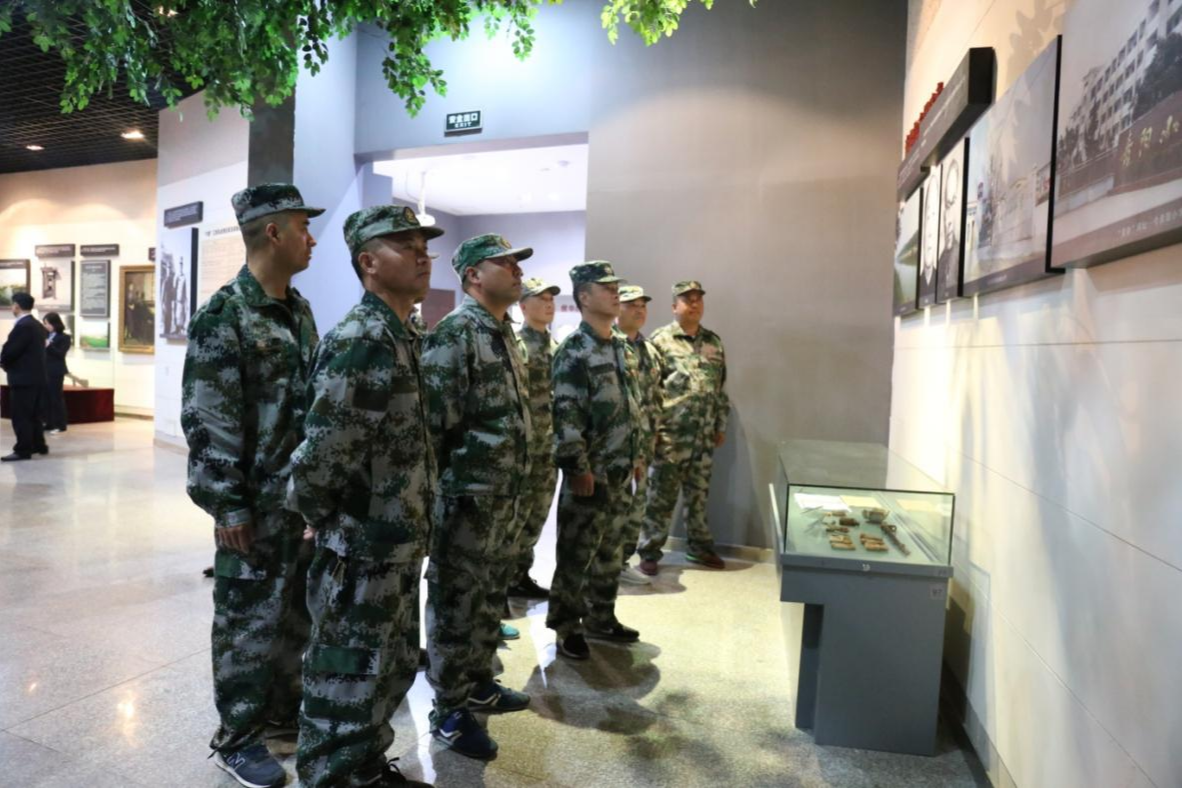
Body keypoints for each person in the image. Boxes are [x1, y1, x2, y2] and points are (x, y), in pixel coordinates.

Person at [288, 206, 440, 788]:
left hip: (396, 538)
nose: (422, 254)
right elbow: (323, 452)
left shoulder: (403, 334)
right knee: (346, 672)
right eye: (405, 245)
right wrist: (318, 515)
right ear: (369, 262)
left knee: (388, 667)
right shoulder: (363, 339)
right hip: (360, 544)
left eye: (424, 244)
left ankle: (364, 765)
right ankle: (331, 774)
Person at [181, 183, 323, 788]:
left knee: (293, 617)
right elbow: (207, 418)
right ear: (273, 232)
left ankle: (282, 712)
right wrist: (228, 504)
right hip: (254, 506)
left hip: (296, 503)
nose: (311, 239)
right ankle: (237, 737)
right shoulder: (225, 315)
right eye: (302, 227)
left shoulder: (299, 309)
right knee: (246, 624)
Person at [422, 234, 533, 761]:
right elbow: (433, 426)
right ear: (472, 275)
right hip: (466, 498)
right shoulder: (456, 332)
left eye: (517, 263)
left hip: (503, 496)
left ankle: (478, 683)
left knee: (489, 598)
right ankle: (448, 709)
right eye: (505, 263)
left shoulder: (504, 331)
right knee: (455, 604)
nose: (517, 270)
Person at [546, 261, 643, 660]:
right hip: (591, 472)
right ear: (584, 297)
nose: (615, 293)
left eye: (616, 286)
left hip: (621, 468)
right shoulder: (574, 349)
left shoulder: (620, 344)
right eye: (606, 288)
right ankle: (567, 626)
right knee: (577, 553)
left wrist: (637, 454)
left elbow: (632, 403)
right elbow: (565, 412)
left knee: (611, 552)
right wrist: (577, 466)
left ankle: (602, 616)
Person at [637, 280, 730, 575]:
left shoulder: (713, 342)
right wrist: (651, 432)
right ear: (674, 306)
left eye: (698, 299)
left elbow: (720, 388)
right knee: (661, 497)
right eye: (687, 299)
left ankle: (699, 548)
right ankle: (649, 551)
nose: (694, 304)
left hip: (703, 435)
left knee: (698, 496)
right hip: (670, 435)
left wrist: (720, 424)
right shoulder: (659, 341)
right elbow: (648, 390)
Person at [506, 276, 561, 601]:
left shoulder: (558, 348)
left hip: (549, 449)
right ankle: (501, 582)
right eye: (541, 298)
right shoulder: (515, 344)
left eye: (551, 299)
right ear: (523, 306)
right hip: (522, 449)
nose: (549, 304)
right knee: (515, 517)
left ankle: (519, 575)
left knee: (537, 516)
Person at [614, 286, 662, 585]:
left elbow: (656, 398)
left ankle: (621, 563)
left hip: (642, 448)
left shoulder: (651, 351)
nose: (639, 310)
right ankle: (603, 566)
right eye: (632, 304)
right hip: (615, 447)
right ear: (617, 307)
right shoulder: (609, 346)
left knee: (636, 508)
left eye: (643, 305)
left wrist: (653, 437)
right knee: (613, 510)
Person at [1, 292, 49, 462]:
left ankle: (23, 450)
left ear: (17, 306)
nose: (11, 307)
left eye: (12, 305)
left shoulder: (23, 326)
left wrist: (3, 361)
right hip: (36, 377)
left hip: (23, 378)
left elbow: (11, 351)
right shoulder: (37, 325)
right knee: (34, 415)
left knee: (21, 416)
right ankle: (38, 444)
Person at [43, 311, 72, 434]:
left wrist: (49, 346)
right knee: (46, 398)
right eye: (44, 324)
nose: (46, 326)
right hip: (44, 370)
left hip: (55, 371)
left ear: (55, 323)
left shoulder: (64, 337)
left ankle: (60, 424)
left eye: (47, 323)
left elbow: (60, 354)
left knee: (56, 397)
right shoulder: (46, 335)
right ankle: (49, 422)